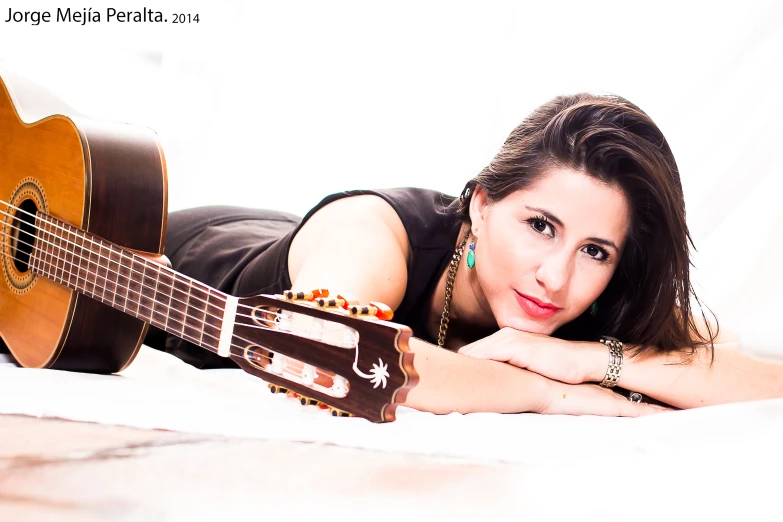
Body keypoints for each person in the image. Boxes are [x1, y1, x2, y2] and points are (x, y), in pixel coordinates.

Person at [144, 93, 783, 417]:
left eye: (595, 249)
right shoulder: (375, 227)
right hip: (190, 245)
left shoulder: (588, 301)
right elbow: (323, 344)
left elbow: (762, 379)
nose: (556, 276)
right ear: (478, 204)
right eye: (539, 225)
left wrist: (579, 357)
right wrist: (543, 392)